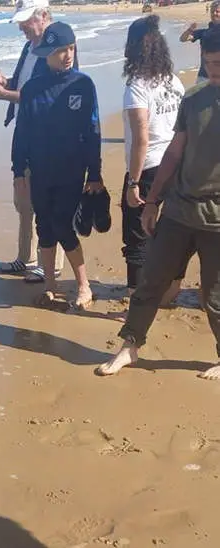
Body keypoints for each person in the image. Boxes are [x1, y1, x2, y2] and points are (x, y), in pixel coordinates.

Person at [97, 28, 220, 379]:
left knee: (214, 297)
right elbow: (173, 152)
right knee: (151, 279)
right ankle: (130, 347)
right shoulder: (194, 98)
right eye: (209, 63)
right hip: (180, 210)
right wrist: (152, 202)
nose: (214, 71)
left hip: (216, 221)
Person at [11, 21, 102, 310]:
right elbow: (22, 130)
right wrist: (17, 170)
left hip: (72, 171)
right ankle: (50, 286)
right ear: (47, 54)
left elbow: (93, 131)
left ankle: (84, 286)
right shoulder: (33, 89)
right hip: (40, 170)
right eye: (61, 50)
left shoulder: (83, 85)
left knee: (64, 226)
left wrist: (95, 173)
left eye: (71, 48)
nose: (68, 55)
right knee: (45, 228)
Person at [0, 0, 74, 285]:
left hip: (48, 137)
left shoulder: (58, 47)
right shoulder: (30, 46)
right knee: (23, 200)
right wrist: (4, 81)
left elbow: (49, 94)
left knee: (46, 202)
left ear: (44, 16)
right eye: (20, 21)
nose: (21, 27)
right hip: (26, 131)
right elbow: (26, 84)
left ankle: (52, 265)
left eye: (26, 21)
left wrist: (5, 95)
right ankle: (27, 257)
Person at [120, 15, 191, 317]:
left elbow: (141, 140)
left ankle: (137, 297)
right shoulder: (173, 81)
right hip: (178, 164)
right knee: (175, 232)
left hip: (149, 168)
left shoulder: (137, 86)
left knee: (136, 233)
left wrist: (133, 182)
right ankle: (171, 289)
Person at [179, 0, 220, 85]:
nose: (214, 14)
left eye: (218, 11)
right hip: (204, 76)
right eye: (212, 11)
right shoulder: (203, 33)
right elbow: (182, 39)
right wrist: (190, 30)